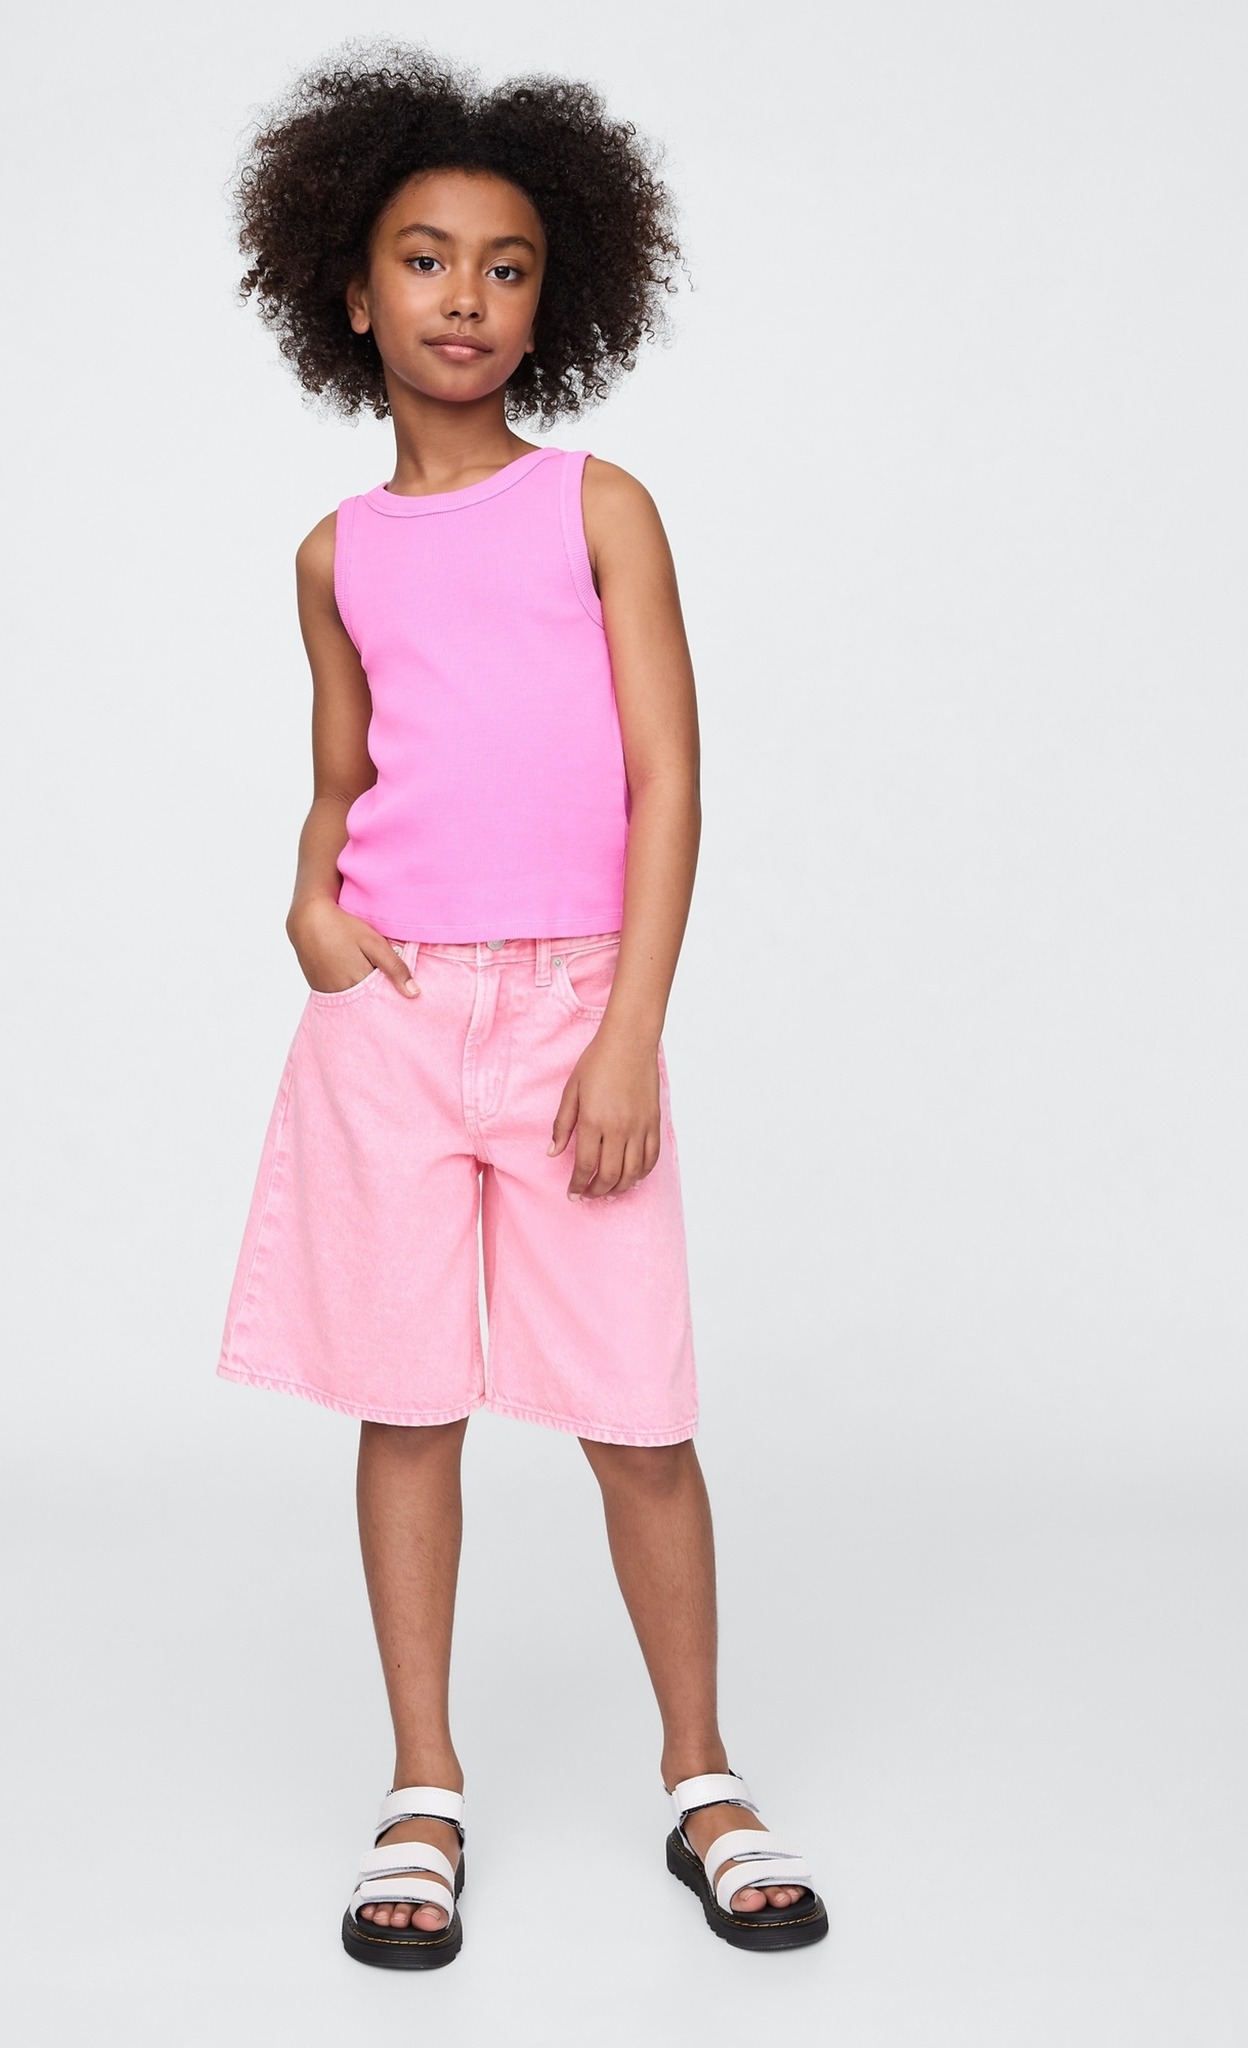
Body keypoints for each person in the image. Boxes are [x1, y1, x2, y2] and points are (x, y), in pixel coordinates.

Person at [216, 41, 828, 1968]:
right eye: (424, 260)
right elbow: (342, 777)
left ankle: (702, 1772)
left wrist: (630, 1026)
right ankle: (425, 1786)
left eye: (505, 266)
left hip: (576, 1015)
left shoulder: (599, 506)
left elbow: (669, 774)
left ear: (554, 302)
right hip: (391, 1027)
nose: (464, 297)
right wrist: (308, 902)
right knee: (409, 1404)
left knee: (635, 1412)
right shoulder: (334, 555)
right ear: (351, 288)